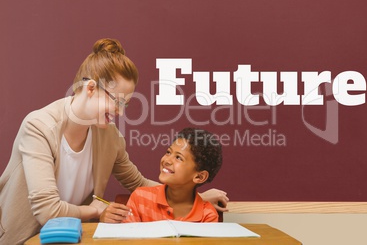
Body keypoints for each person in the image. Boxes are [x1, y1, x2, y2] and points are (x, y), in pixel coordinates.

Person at [0, 38, 229, 244]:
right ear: (90, 88)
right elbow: (47, 210)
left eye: (125, 105)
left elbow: (139, 183)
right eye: (117, 102)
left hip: (73, 238)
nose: (120, 112)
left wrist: (194, 197)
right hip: (22, 238)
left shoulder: (110, 137)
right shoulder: (39, 126)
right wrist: (94, 211)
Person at [122, 127, 222, 223]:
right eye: (168, 152)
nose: (167, 160)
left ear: (199, 177)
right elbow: (128, 238)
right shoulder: (140, 198)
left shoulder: (208, 215)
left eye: (178, 158)